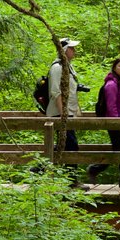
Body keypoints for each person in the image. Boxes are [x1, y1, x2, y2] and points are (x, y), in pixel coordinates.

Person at [46, 38, 89, 189]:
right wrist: (63, 114)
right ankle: (71, 181)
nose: (74, 51)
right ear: (64, 50)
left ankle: (39, 170)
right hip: (60, 114)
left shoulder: (68, 67)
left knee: (63, 146)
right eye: (71, 48)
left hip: (68, 112)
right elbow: (56, 91)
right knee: (71, 146)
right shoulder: (57, 68)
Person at [88, 58, 120, 187]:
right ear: (114, 68)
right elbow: (111, 107)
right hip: (117, 123)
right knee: (118, 151)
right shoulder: (111, 85)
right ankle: (95, 168)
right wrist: (116, 122)